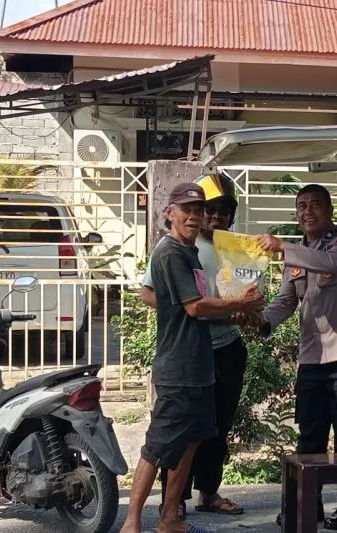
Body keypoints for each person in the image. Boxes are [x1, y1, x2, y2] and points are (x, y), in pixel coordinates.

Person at [119, 182, 263, 533]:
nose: (196, 217)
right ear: (169, 213)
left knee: (193, 441)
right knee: (158, 447)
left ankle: (170, 517)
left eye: (200, 210)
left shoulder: (191, 252)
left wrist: (236, 315)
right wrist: (238, 303)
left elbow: (198, 313)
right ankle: (132, 523)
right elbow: (195, 307)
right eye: (189, 210)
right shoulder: (170, 252)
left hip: (201, 366)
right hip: (179, 367)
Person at [257, 184, 337, 531]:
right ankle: (309, 507)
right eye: (301, 206)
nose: (307, 212)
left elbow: (330, 262)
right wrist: (260, 320)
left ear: (329, 209)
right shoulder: (295, 256)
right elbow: (285, 301)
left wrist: (283, 246)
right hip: (312, 359)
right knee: (309, 438)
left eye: (314, 205)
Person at [142, 174, 248, 518]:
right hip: (189, 352)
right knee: (176, 433)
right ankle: (173, 503)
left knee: (215, 427)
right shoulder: (179, 247)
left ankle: (208, 493)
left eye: (222, 211)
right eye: (209, 210)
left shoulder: (235, 248)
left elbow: (240, 293)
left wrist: (241, 311)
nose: (214, 216)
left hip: (226, 347)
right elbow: (151, 293)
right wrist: (187, 312)